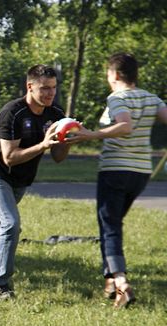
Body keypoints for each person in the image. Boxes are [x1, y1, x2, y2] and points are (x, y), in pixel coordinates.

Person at [0, 64, 71, 299]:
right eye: (44, 89)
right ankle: (1, 283)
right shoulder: (12, 112)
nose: (50, 93)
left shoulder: (56, 114)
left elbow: (59, 158)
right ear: (30, 87)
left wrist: (67, 139)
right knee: (10, 223)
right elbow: (9, 157)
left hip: (21, 181)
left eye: (53, 88)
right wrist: (43, 145)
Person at [68, 53, 167, 308]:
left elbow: (125, 126)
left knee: (110, 224)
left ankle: (122, 283)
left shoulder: (117, 98)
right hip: (141, 173)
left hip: (115, 170)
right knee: (109, 223)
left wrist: (90, 135)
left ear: (115, 75)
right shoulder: (151, 98)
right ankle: (110, 280)